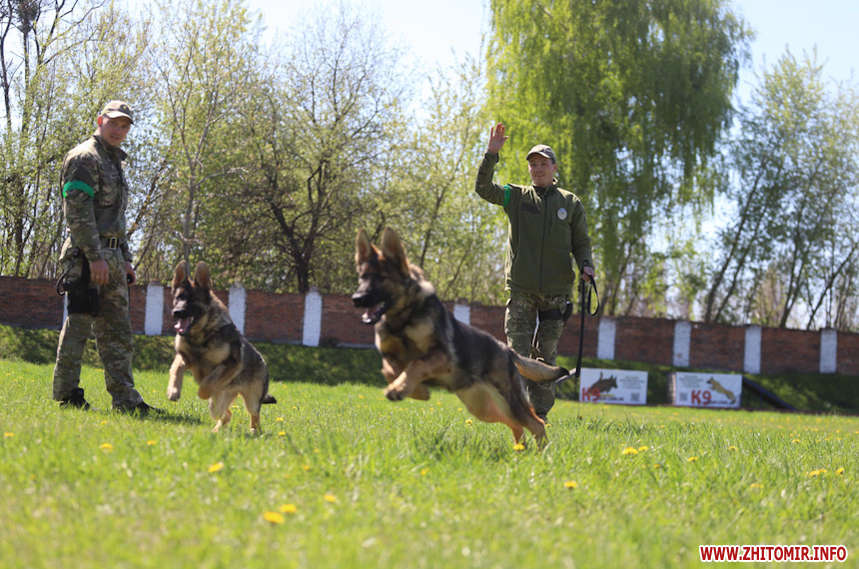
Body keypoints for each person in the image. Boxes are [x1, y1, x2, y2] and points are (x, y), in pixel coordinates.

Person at [475, 122, 596, 422]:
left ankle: (539, 415)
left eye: (543, 164)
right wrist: (491, 155)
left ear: (554, 168)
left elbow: (581, 242)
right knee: (517, 355)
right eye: (533, 165)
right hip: (521, 291)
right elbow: (484, 189)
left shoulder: (570, 203)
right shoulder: (515, 196)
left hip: (556, 293)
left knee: (546, 356)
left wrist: (586, 265)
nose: (538, 169)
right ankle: (517, 409)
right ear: (529, 169)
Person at [52, 100, 160, 415]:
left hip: (113, 257)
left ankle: (126, 401)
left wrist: (125, 258)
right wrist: (94, 257)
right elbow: (78, 212)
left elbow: (117, 217)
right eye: (114, 123)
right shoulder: (84, 158)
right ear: (100, 121)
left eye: (124, 126)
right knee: (79, 327)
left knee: (118, 333)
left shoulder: (115, 162)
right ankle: (67, 396)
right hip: (86, 256)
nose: (119, 130)